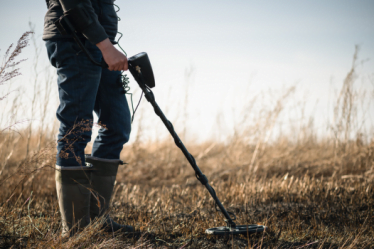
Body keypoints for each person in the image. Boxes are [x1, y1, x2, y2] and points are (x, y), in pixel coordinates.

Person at [43, 0, 133, 237]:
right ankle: (75, 231)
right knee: (77, 128)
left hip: (100, 43)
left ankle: (97, 220)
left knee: (117, 126)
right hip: (74, 39)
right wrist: (105, 45)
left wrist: (105, 44)